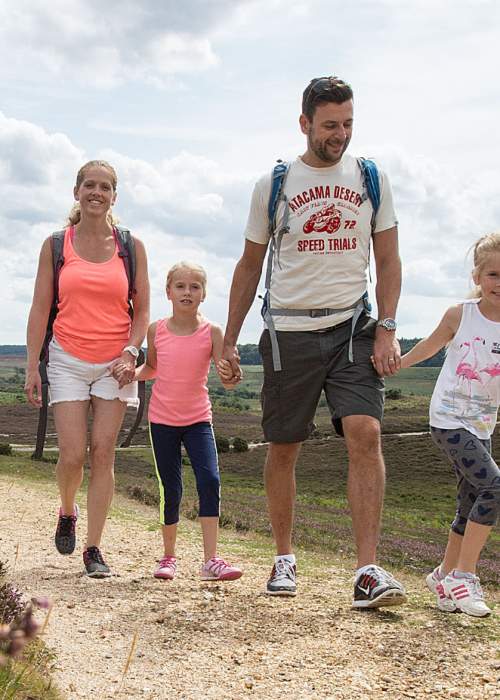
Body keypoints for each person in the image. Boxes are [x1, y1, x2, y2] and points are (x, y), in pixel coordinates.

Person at [223, 75, 406, 607]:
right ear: (304, 124)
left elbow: (389, 258)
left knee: (366, 433)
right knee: (285, 448)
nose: (340, 135)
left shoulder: (371, 178)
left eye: (347, 124)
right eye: (330, 125)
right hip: (289, 334)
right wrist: (229, 341)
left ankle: (367, 571)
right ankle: (284, 557)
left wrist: (388, 326)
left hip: (353, 327)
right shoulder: (275, 184)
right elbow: (249, 265)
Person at [25, 160, 149, 578]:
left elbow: (143, 307)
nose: (97, 193)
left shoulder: (131, 246)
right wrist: (31, 366)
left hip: (115, 364)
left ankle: (94, 548)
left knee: (103, 452)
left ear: (115, 196)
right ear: (77, 191)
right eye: (89, 185)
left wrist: (131, 352)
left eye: (105, 187)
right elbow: (41, 308)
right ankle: (67, 510)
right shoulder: (57, 244)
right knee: (74, 455)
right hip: (67, 360)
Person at [401, 232, 500, 617]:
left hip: (481, 425)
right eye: (493, 274)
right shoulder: (461, 314)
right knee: (494, 486)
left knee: (470, 502)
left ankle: (443, 576)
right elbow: (429, 346)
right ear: (477, 276)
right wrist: (398, 363)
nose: (499, 283)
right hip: (449, 421)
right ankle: (465, 576)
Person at [134, 261, 243, 582]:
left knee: (209, 480)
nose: (187, 292)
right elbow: (151, 368)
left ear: (204, 294)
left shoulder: (213, 332)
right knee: (171, 488)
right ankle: (168, 558)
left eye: (195, 286)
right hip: (162, 421)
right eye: (180, 286)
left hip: (198, 420)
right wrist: (132, 373)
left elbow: (228, 378)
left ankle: (211, 561)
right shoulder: (156, 330)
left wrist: (232, 375)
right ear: (168, 292)